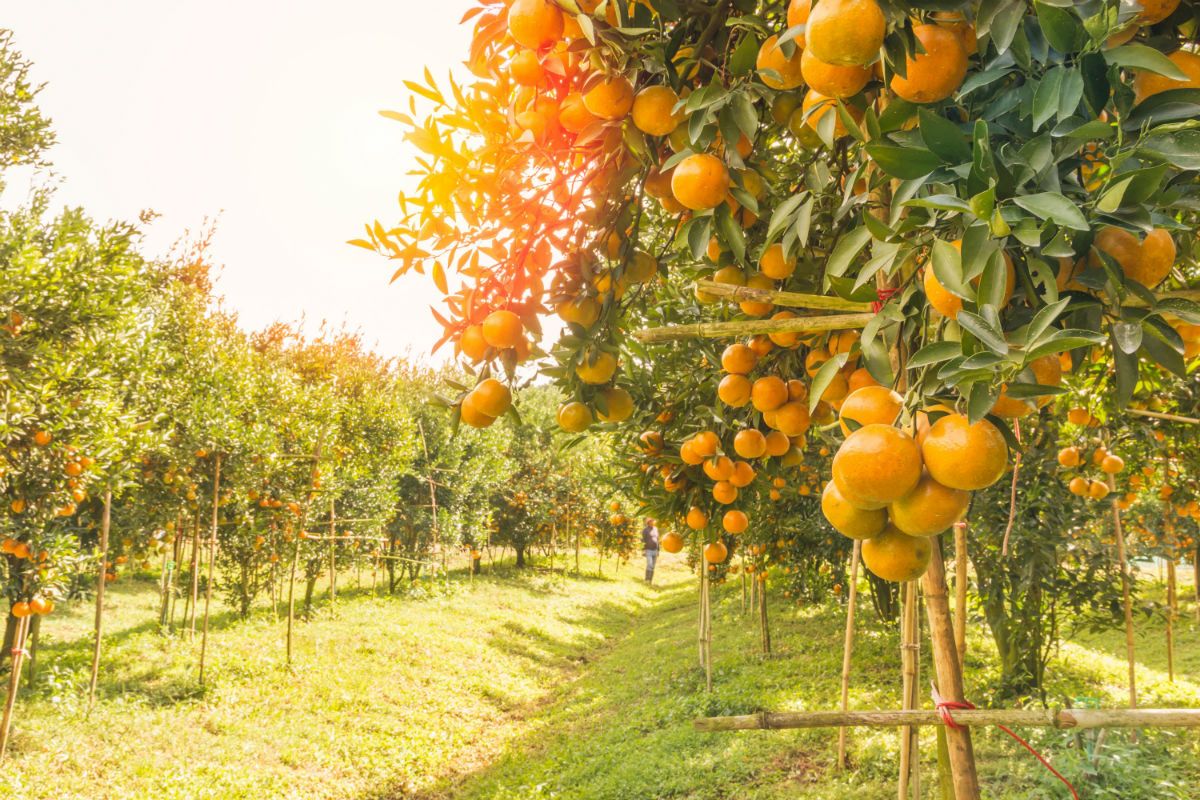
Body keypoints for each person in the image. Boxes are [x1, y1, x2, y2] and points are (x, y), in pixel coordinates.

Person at [641, 517, 659, 584]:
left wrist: (658, 550)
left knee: (653, 566)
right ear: (648, 522)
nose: (652, 522)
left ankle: (650, 581)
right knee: (650, 564)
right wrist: (643, 550)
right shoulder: (645, 530)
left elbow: (657, 540)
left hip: (655, 550)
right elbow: (643, 540)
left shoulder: (655, 529)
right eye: (651, 521)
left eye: (653, 521)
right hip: (648, 550)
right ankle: (646, 579)